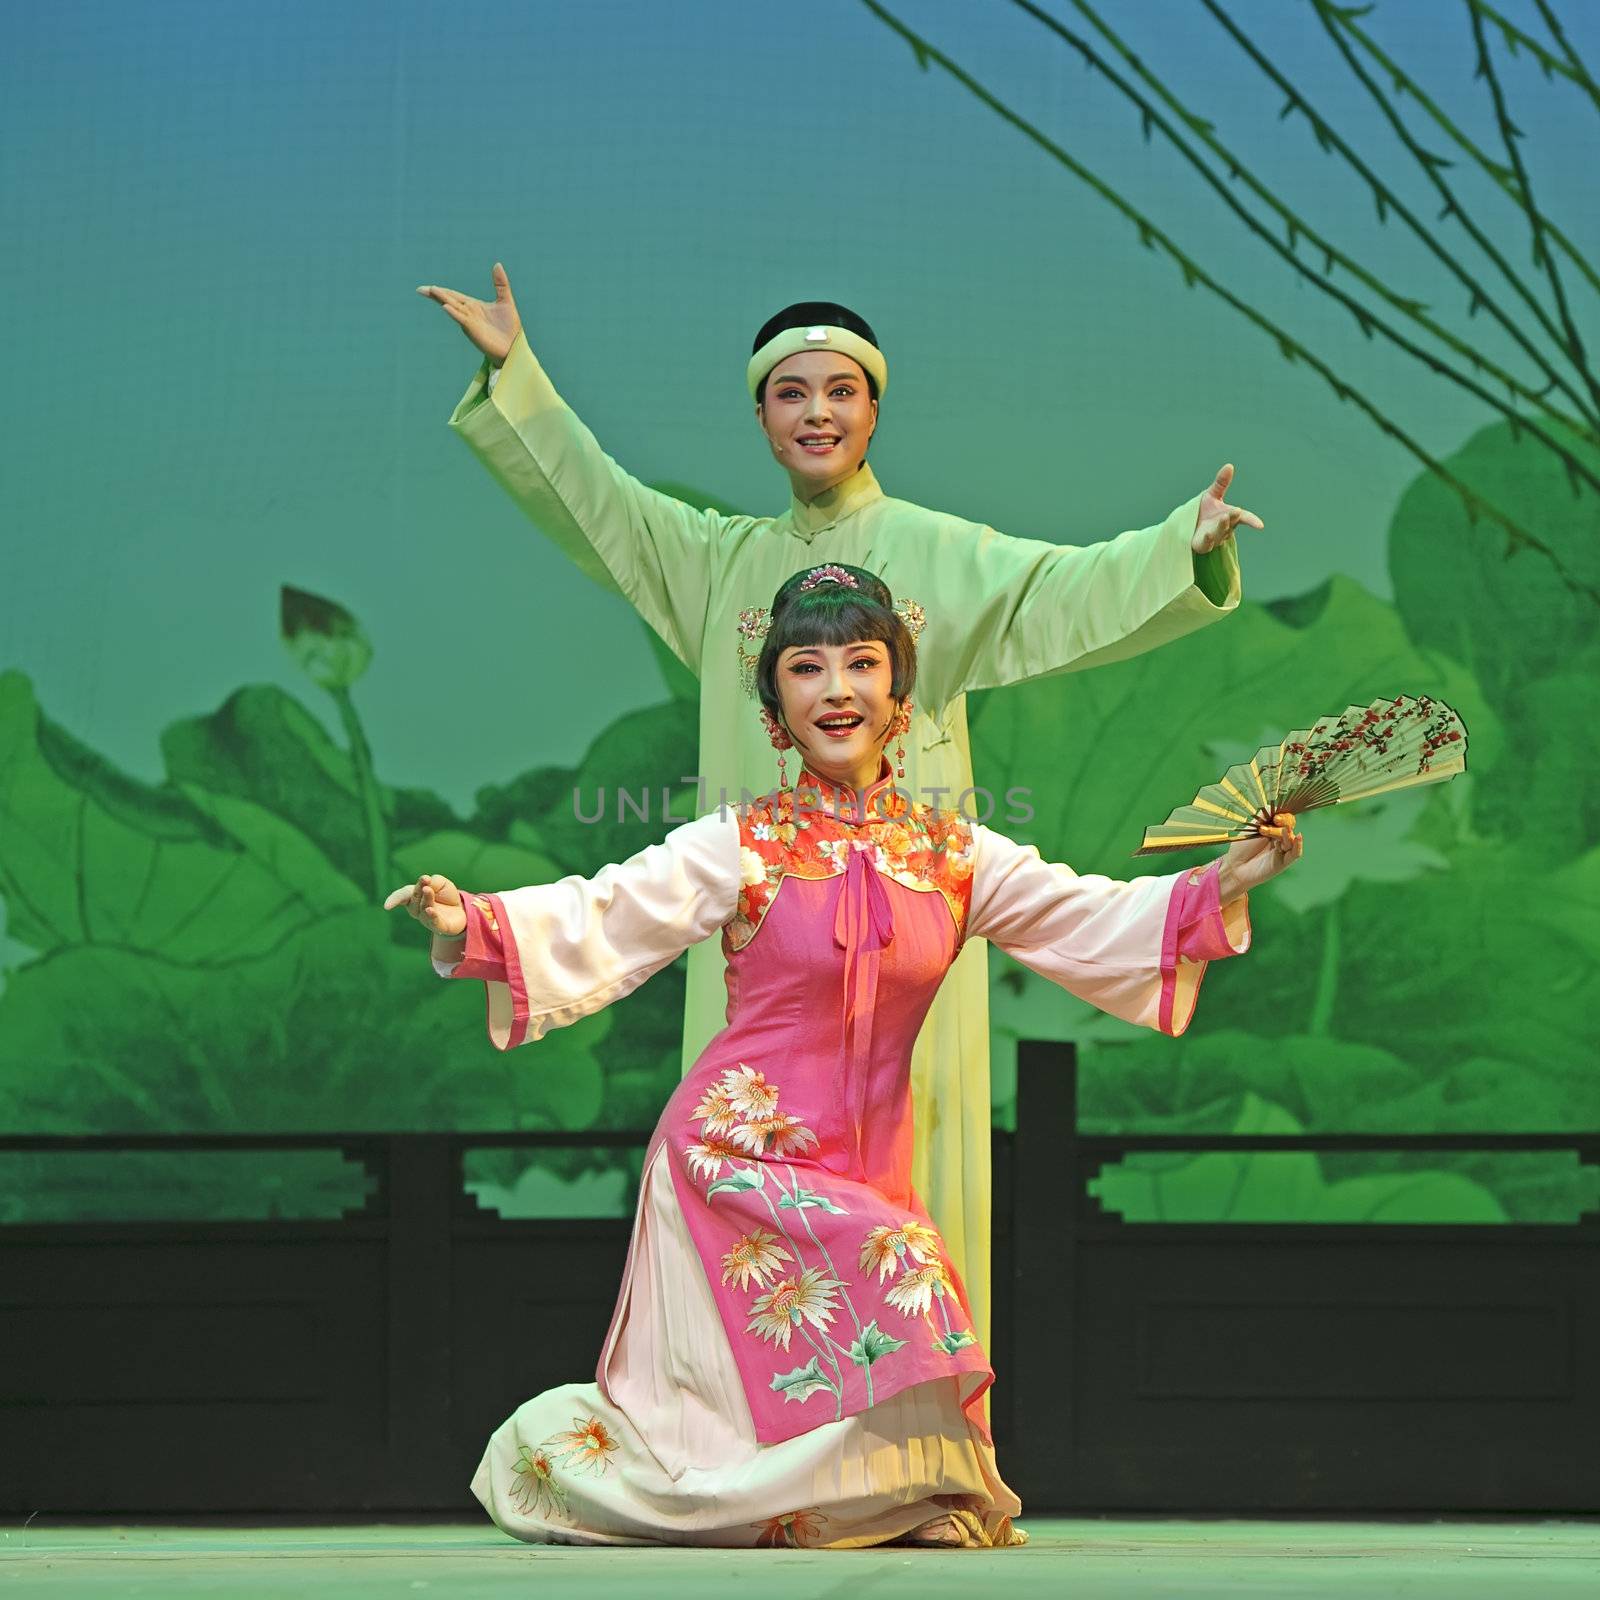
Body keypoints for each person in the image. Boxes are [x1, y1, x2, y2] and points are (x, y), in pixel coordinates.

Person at [415, 265, 1266, 1351]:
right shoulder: (721, 561)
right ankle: (745, 1439)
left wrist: (1177, 547)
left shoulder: (942, 553)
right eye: (790, 392)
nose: (817, 412)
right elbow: (601, 504)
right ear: (761, 417)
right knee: (739, 1174)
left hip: (902, 914)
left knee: (917, 1149)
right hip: (758, 919)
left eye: (841, 391)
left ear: (873, 410)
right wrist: (516, 376)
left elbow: (1067, 587)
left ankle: (911, 1432)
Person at [385, 563, 1300, 1549]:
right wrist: (472, 920)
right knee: (898, 1267)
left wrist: (1223, 880)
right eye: (807, 666)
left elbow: (1092, 914)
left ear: (896, 695)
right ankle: (778, 1494)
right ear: (775, 701)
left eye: (860, 663)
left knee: (850, 1316)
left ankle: (878, 1497)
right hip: (729, 1157)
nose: (835, 689)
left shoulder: (952, 853)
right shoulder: (738, 844)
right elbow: (608, 908)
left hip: (862, 1164)